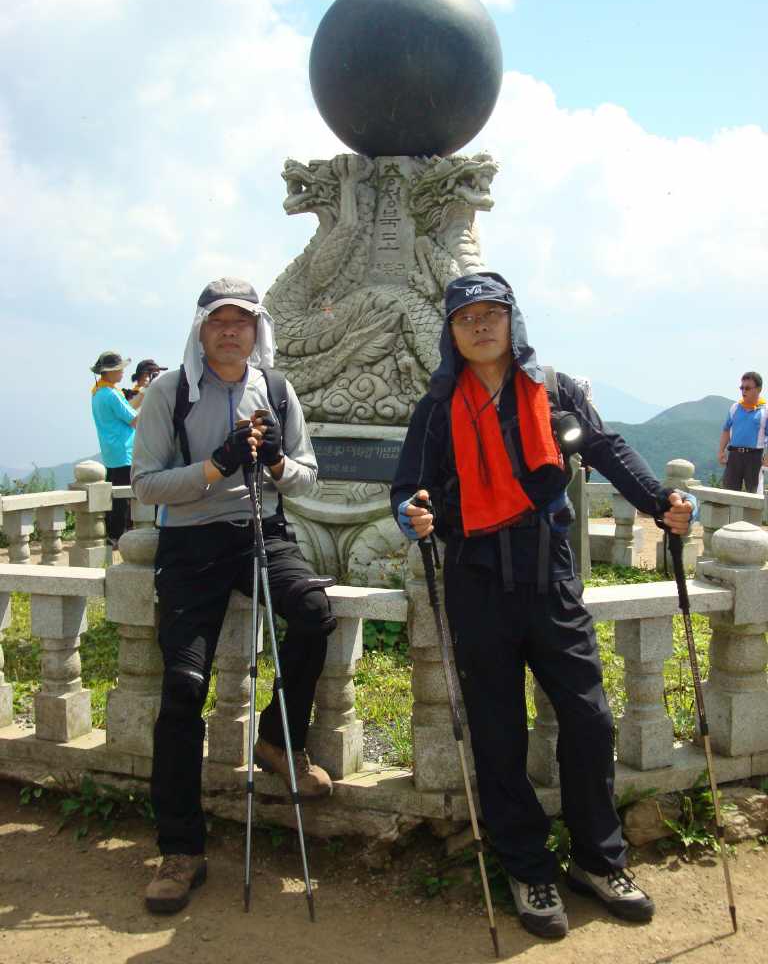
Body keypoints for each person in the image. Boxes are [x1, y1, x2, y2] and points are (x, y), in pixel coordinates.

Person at [390, 272, 696, 941]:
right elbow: (407, 487)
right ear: (452, 331)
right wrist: (411, 513)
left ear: (512, 320)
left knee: (589, 719)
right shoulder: (436, 406)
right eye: (465, 317)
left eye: (491, 313)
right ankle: (527, 866)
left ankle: (597, 860)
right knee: (498, 735)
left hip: (549, 578)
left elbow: (609, 450)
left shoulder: (555, 391)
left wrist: (660, 503)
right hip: (474, 580)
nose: (480, 326)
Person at [131, 277, 336, 916]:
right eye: (219, 320)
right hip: (191, 543)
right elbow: (145, 485)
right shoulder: (170, 392)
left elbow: (305, 475)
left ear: (256, 330)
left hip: (261, 531)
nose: (230, 331)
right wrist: (215, 467)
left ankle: (276, 738)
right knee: (185, 685)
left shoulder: (274, 390)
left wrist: (275, 462)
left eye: (242, 321)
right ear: (200, 328)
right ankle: (180, 849)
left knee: (313, 612)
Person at [90, 350, 146, 544]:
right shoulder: (113, 395)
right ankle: (118, 535)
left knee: (113, 494)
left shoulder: (98, 393)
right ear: (109, 372)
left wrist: (143, 393)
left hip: (110, 451)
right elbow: (134, 419)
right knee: (124, 496)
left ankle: (112, 533)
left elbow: (127, 411)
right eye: (119, 370)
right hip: (124, 451)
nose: (123, 373)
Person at [718, 371, 768, 493]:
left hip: (754, 458)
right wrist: (721, 451)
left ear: (758, 389)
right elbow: (726, 430)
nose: (743, 391)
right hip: (734, 456)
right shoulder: (734, 408)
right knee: (729, 495)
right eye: (742, 388)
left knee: (754, 496)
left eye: (747, 388)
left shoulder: (765, 411)